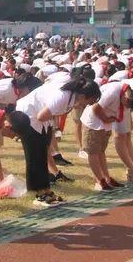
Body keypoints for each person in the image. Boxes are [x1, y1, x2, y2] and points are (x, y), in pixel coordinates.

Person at [10, 78, 100, 207]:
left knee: (42, 154)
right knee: (35, 156)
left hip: (39, 117)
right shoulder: (63, 96)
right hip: (28, 116)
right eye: (88, 101)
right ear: (82, 95)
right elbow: (41, 116)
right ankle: (39, 194)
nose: (86, 105)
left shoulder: (71, 96)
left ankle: (46, 191)